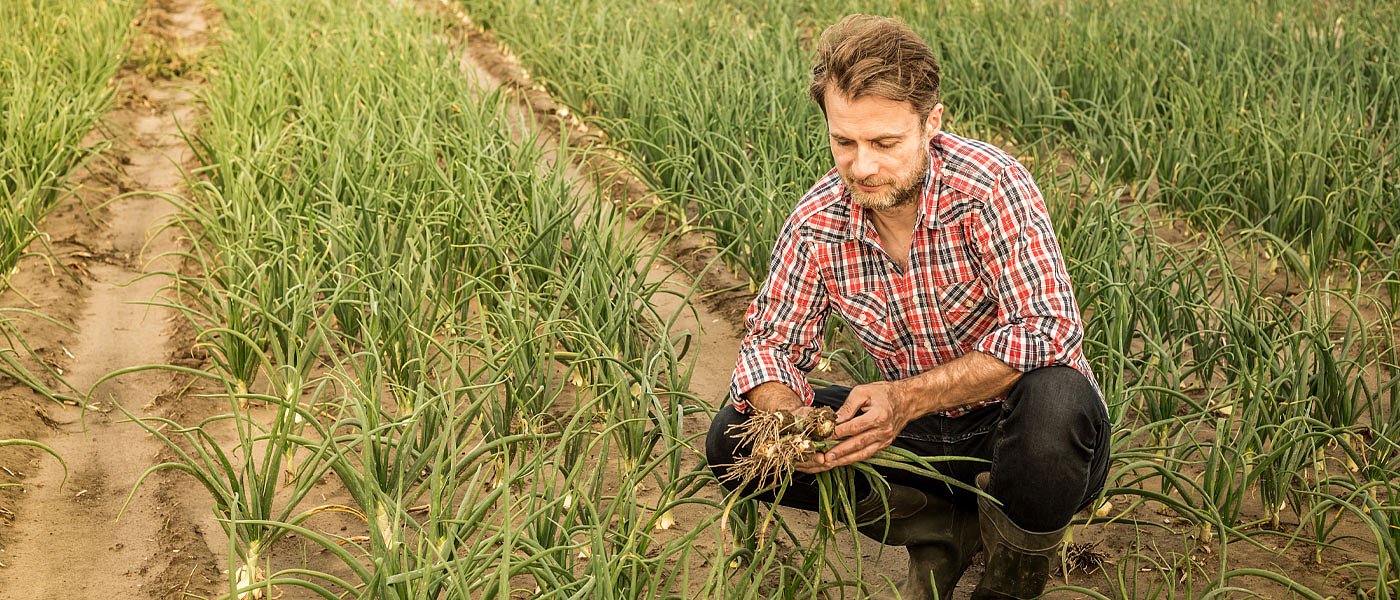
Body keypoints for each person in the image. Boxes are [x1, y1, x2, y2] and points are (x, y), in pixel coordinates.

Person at [705, 14, 1111, 600]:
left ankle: (1007, 582)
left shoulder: (991, 189)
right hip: (918, 438)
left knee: (1057, 397)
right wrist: (792, 420)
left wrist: (903, 398)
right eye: (844, 142)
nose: (862, 166)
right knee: (735, 435)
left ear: (931, 124)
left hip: (1012, 433)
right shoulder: (818, 221)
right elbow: (769, 346)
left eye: (885, 143)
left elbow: (1046, 331)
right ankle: (940, 527)